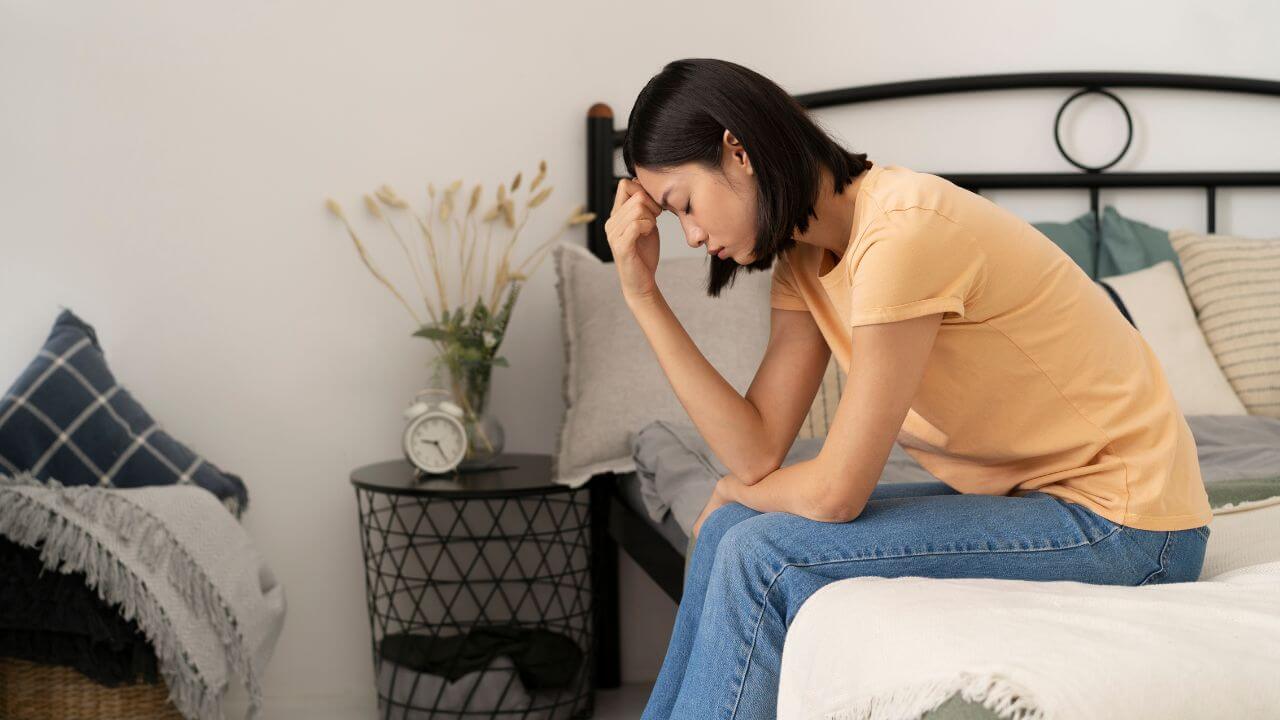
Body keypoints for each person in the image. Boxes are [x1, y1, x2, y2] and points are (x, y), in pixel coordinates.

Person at [606, 58, 1213, 720]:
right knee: (730, 528)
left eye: (685, 205)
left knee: (759, 554)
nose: (692, 235)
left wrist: (735, 491)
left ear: (739, 151)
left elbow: (836, 495)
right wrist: (642, 294)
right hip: (1039, 499)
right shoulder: (805, 259)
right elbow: (754, 454)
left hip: (1129, 522)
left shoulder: (901, 231)